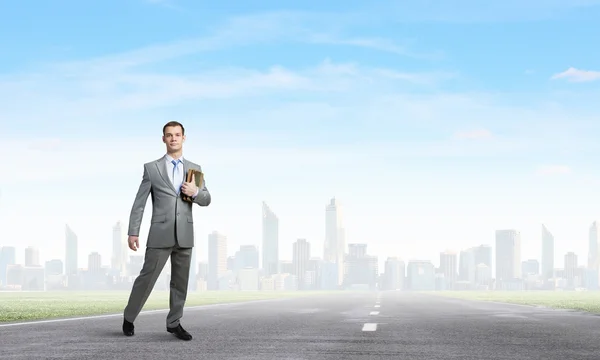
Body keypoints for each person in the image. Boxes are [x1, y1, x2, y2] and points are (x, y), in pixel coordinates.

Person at [121, 121, 211, 341]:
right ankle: (129, 317)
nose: (173, 138)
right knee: (146, 279)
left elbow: (207, 199)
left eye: (177, 135)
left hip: (185, 235)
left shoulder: (194, 169)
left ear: (184, 138)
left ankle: (174, 323)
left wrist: (196, 192)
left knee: (180, 283)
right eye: (169, 135)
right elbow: (139, 203)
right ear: (164, 139)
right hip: (159, 234)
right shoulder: (152, 168)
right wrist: (134, 232)